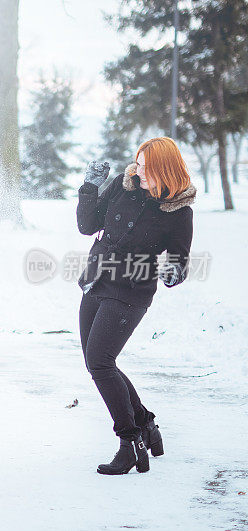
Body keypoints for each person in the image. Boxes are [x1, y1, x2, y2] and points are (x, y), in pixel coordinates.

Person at [76, 137, 195, 475]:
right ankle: (145, 424)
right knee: (98, 362)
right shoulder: (122, 186)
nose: (137, 170)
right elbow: (87, 226)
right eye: (137, 163)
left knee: (100, 362)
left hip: (130, 291)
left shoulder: (178, 212)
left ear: (163, 170)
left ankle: (130, 442)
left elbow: (178, 261)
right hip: (96, 281)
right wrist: (89, 188)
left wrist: (173, 272)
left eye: (144, 167)